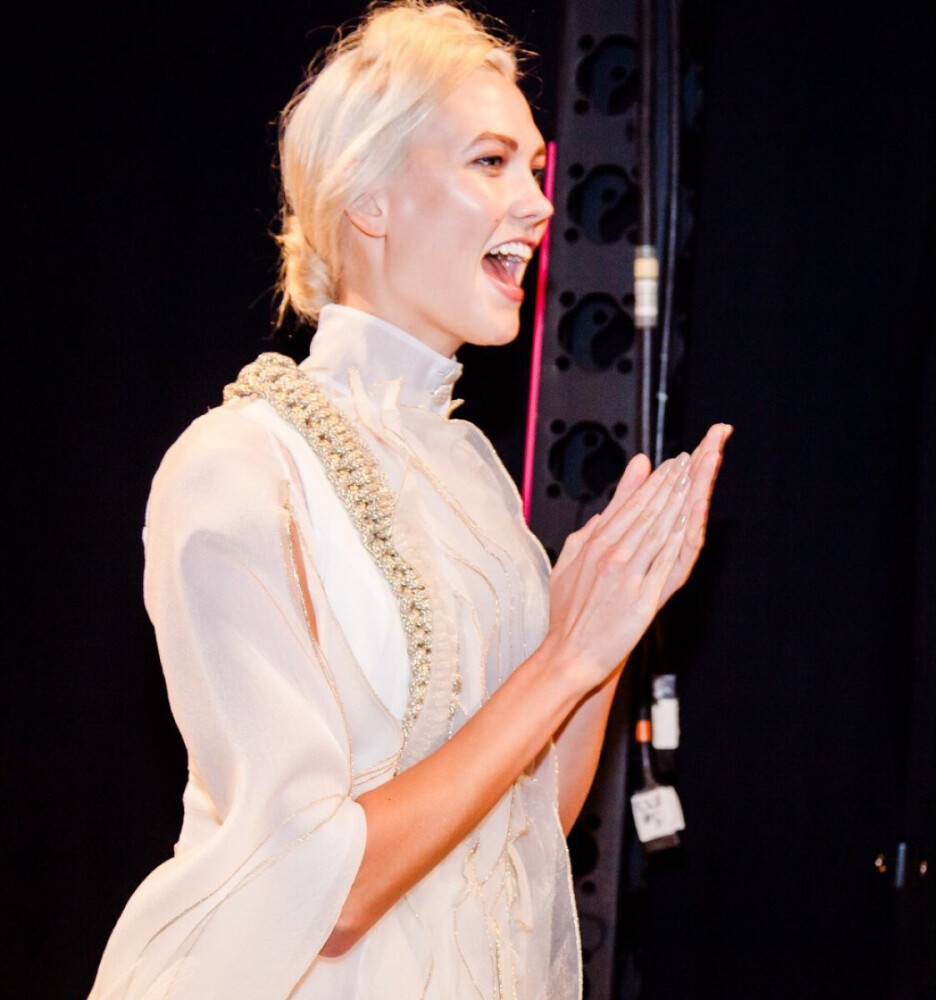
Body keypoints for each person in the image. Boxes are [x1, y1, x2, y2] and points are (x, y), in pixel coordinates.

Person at [88, 2, 731, 997]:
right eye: (489, 162)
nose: (538, 203)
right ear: (369, 197)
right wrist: (560, 657)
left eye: (535, 166)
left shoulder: (470, 482)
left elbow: (526, 824)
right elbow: (326, 889)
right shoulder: (237, 467)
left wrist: (602, 638)